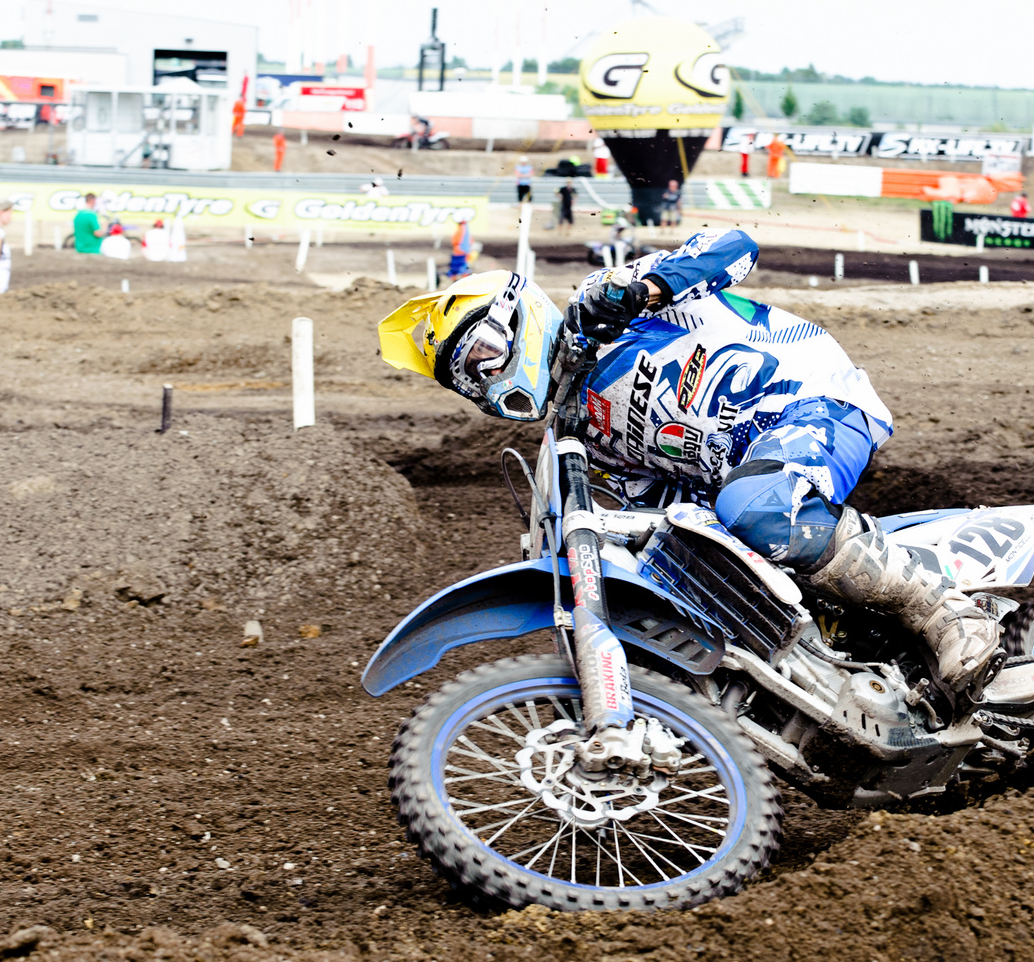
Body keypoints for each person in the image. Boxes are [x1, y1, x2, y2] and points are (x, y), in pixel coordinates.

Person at [376, 231, 1001, 698]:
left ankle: (949, 614)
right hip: (744, 476)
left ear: (519, 316)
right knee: (685, 565)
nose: (484, 381)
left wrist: (646, 287)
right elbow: (651, 519)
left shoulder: (606, 307)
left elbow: (736, 246)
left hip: (812, 401)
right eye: (466, 380)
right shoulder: (582, 442)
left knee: (755, 509)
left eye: (483, 352)